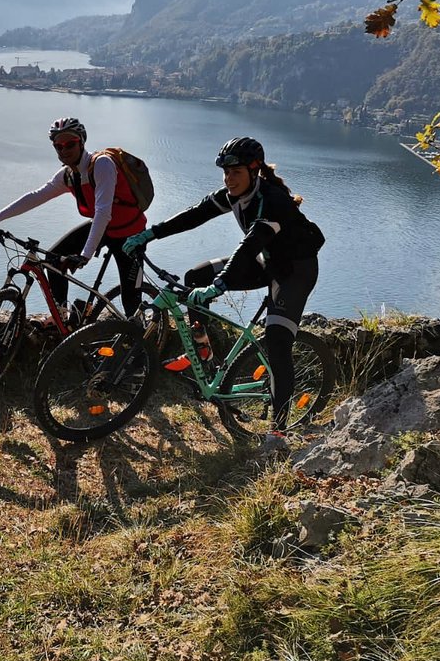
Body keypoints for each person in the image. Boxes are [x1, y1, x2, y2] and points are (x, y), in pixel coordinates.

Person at [123, 136, 324, 439]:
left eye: (235, 173)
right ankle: (202, 349)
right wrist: (150, 234)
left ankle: (279, 433)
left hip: (294, 272)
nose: (229, 179)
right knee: (193, 277)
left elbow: (248, 245)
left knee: (277, 343)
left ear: (254, 171)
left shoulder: (272, 201)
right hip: (266, 261)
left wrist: (221, 285)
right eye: (225, 173)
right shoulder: (232, 194)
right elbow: (194, 215)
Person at [0, 117, 146, 317]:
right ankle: (61, 316)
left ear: (82, 142)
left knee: (131, 296)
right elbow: (36, 196)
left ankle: (139, 337)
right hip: (105, 229)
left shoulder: (102, 164)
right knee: (52, 259)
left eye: (70, 144)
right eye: (58, 146)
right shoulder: (68, 175)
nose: (64, 151)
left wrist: (85, 255)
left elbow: (103, 211)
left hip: (131, 233)